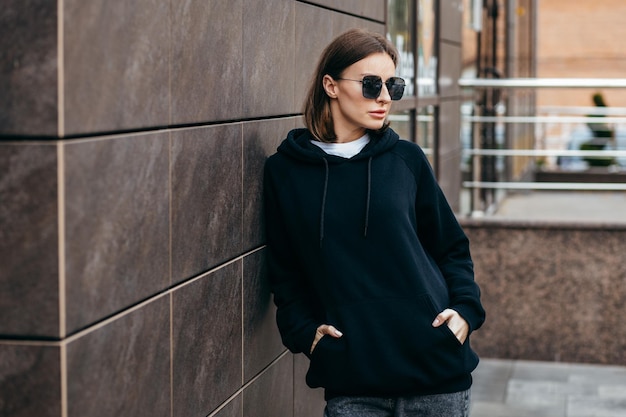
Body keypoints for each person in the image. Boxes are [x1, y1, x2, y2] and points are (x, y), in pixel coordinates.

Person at [263, 28, 485, 417]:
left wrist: (465, 311)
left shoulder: (406, 160)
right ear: (330, 85)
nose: (384, 97)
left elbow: (451, 247)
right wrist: (306, 335)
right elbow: (285, 270)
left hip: (436, 372)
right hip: (352, 380)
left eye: (392, 86)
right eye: (370, 84)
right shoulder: (285, 171)